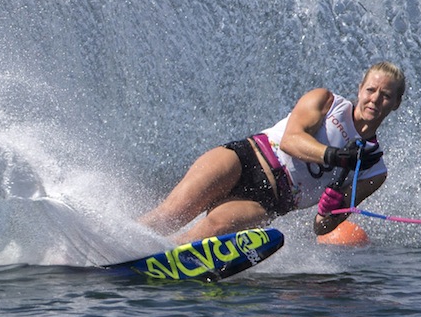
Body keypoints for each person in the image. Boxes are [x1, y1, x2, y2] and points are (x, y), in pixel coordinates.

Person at [139, 62, 404, 244]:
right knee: (170, 216)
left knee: (208, 232)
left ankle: (146, 261)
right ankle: (113, 247)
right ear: (360, 90)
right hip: (245, 160)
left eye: (385, 95)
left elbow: (321, 228)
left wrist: (331, 211)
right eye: (371, 90)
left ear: (395, 103)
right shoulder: (327, 101)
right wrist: (334, 156)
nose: (375, 99)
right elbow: (291, 141)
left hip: (271, 201)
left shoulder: (374, 170)